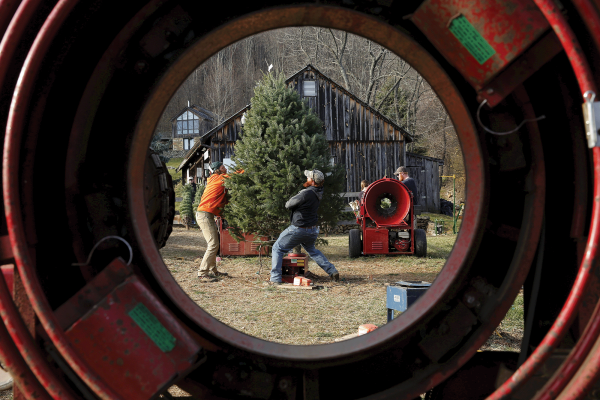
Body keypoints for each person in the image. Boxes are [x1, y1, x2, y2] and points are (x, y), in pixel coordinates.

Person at [270, 169, 340, 284]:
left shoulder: (306, 193)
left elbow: (288, 205)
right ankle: (332, 271)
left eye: (308, 178)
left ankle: (275, 279)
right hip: (312, 230)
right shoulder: (319, 192)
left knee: (277, 248)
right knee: (313, 251)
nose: (306, 179)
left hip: (299, 229)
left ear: (312, 181)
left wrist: (299, 194)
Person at [196, 161, 231, 281]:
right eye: (223, 167)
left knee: (214, 243)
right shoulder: (218, 178)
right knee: (213, 244)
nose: (225, 168)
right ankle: (202, 273)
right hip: (204, 215)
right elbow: (236, 176)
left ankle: (213, 271)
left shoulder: (215, 179)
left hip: (207, 214)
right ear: (217, 170)